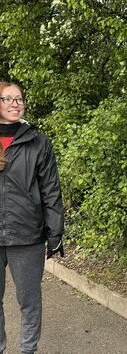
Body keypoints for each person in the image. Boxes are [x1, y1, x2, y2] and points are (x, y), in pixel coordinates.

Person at [0, 82, 64, 354]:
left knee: (29, 301)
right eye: (8, 99)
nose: (15, 104)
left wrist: (55, 233)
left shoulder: (38, 141)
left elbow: (51, 189)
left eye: (19, 99)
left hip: (26, 235)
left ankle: (28, 350)